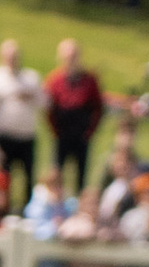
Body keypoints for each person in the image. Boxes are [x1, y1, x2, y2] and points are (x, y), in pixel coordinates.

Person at [0, 40, 44, 205]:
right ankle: (3, 207)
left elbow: (45, 101)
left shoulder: (30, 78)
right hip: (4, 135)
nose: (12, 60)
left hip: (26, 136)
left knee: (28, 176)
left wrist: (31, 96)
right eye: (8, 56)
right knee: (4, 175)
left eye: (15, 56)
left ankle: (28, 208)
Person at [42, 37, 105, 190]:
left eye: (73, 56)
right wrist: (54, 129)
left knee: (81, 176)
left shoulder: (89, 80)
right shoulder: (54, 80)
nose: (70, 60)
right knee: (56, 173)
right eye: (67, 57)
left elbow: (98, 107)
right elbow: (48, 108)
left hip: (81, 135)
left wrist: (90, 131)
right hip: (61, 135)